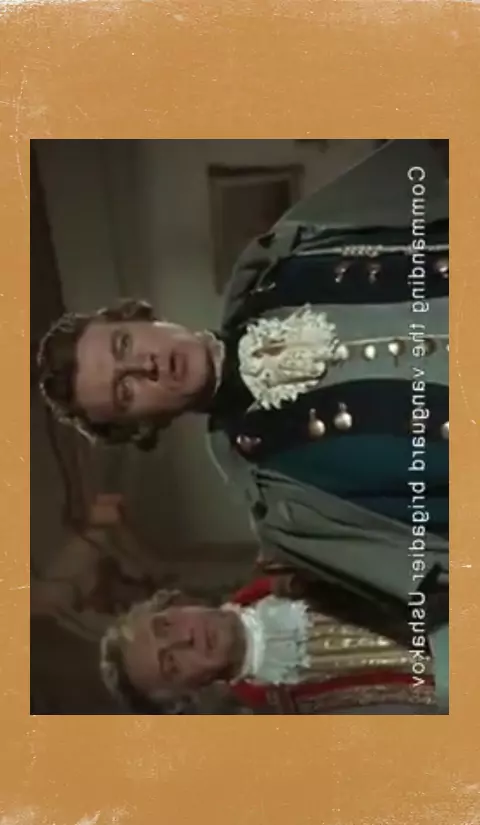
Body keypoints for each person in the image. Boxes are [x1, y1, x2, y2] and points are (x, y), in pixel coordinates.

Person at [36, 141, 449, 708]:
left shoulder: (284, 255)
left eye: (125, 345)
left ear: (138, 316)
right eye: (125, 392)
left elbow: (435, 164)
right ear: (140, 428)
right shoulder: (287, 510)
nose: (146, 366)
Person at [99, 566, 443, 715]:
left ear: (178, 602)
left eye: (166, 626)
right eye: (172, 664)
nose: (186, 639)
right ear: (185, 695)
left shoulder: (287, 559)